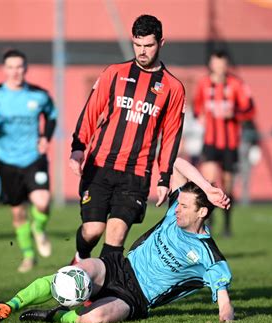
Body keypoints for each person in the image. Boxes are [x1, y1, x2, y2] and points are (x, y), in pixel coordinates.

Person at [0, 157, 234, 323]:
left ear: (201, 213)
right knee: (73, 275)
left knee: (95, 319)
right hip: (119, 266)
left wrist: (226, 319)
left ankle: (55, 316)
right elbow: (176, 162)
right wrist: (206, 186)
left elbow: (224, 302)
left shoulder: (207, 254)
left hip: (136, 298)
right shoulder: (175, 212)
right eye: (178, 203)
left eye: (184, 206)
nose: (177, 209)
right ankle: (10, 304)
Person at [69, 15, 185, 262]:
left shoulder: (173, 88)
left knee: (117, 232)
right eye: (137, 44)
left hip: (136, 172)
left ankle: (102, 291)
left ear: (161, 43)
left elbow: (171, 135)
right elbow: (91, 111)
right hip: (100, 165)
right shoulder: (114, 73)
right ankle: (81, 257)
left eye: (149, 45)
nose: (142, 51)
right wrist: (78, 148)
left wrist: (164, 177)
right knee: (93, 230)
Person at [0, 49, 57, 273]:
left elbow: (51, 116)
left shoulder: (39, 95)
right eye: (11, 67)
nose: (15, 71)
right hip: (7, 160)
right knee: (18, 212)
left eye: (19, 67)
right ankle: (28, 256)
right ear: (5, 69)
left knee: (42, 201)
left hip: (33, 157)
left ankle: (39, 229)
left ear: (26, 69)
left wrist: (45, 137)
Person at [193, 50, 256, 236]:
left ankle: (227, 226)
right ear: (211, 64)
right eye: (216, 63)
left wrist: (235, 114)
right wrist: (200, 116)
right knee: (209, 182)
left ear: (226, 65)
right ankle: (209, 222)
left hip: (230, 144)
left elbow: (250, 109)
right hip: (211, 141)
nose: (219, 67)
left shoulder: (236, 84)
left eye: (222, 64)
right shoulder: (204, 83)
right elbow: (197, 105)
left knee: (227, 186)